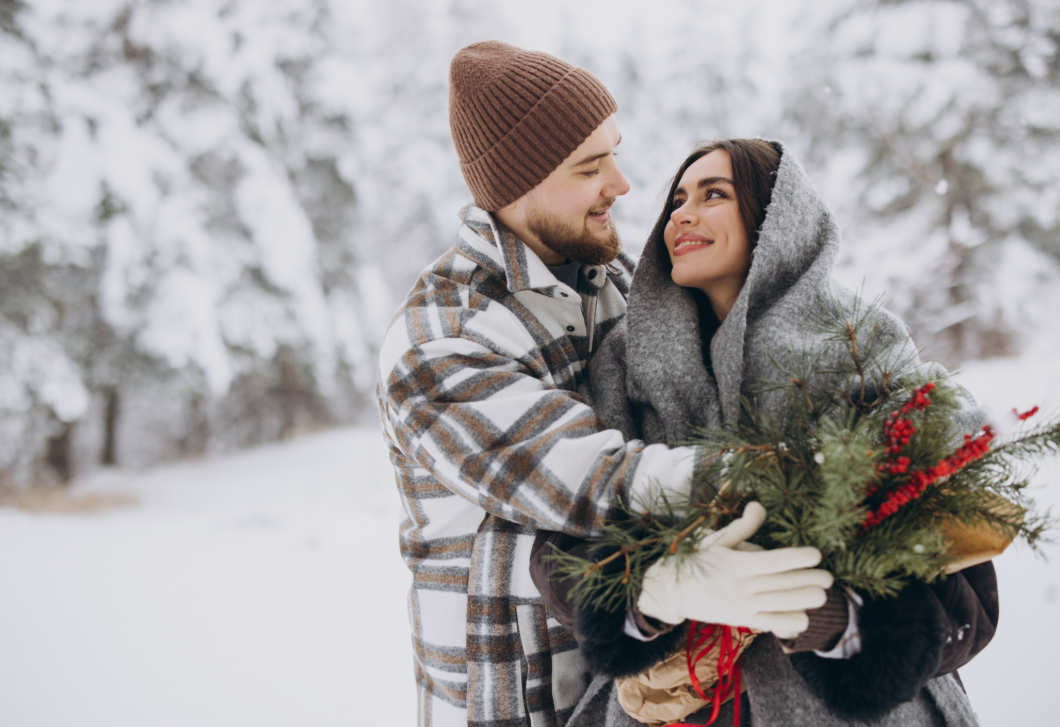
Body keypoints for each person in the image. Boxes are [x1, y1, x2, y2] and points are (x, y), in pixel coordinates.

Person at [377, 46, 829, 727]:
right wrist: (800, 480)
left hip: (629, 695)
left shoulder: (616, 282)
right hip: (516, 703)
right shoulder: (438, 340)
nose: (621, 183)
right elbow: (594, 476)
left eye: (614, 154)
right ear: (517, 186)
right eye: (590, 168)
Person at [530, 139, 999, 726]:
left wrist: (833, 617)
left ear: (778, 218)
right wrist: (654, 590)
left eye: (713, 194)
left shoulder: (865, 344)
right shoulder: (621, 365)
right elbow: (561, 542)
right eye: (676, 200)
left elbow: (966, 597)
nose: (682, 215)